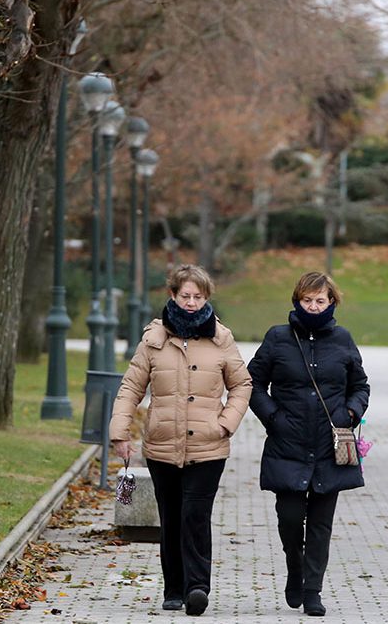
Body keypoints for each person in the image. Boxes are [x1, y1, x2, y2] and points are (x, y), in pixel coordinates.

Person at [109, 264, 252, 617]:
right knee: (170, 517)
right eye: (185, 296)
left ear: (207, 298)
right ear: (172, 295)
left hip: (208, 446)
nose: (191, 302)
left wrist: (225, 423)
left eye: (198, 296)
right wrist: (119, 432)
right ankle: (173, 588)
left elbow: (242, 385)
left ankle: (197, 587)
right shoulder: (153, 341)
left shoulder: (221, 339)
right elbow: (130, 388)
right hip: (161, 445)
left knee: (195, 514)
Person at [246, 271, 369, 617]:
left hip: (330, 444)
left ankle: (312, 589)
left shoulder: (343, 339)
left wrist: (351, 412)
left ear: (331, 302)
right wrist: (274, 418)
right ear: (296, 300)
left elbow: (360, 385)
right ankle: (295, 569)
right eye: (307, 300)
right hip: (289, 443)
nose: (313, 307)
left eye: (320, 301)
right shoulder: (277, 338)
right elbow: (252, 383)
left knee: (320, 524)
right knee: (289, 518)